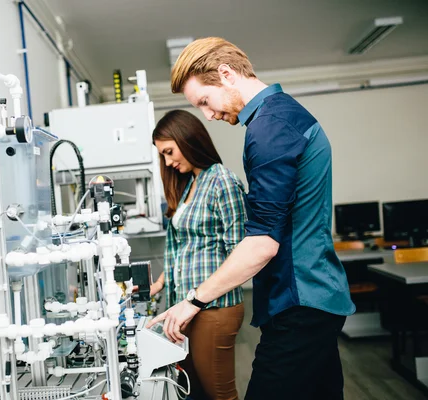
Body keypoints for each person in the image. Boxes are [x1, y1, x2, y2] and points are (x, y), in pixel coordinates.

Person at [147, 37, 356, 400]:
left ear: (226, 75)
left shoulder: (269, 127)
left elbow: (261, 244)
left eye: (205, 102)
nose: (209, 115)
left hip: (300, 300)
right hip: (313, 294)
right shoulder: (282, 116)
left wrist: (193, 301)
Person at [150, 109, 247, 400]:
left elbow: (239, 252)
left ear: (187, 138)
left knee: (219, 395)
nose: (167, 162)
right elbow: (187, 247)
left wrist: (197, 298)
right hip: (187, 306)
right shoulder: (193, 182)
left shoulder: (222, 182)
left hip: (214, 308)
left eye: (169, 152)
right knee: (194, 393)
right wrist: (158, 284)